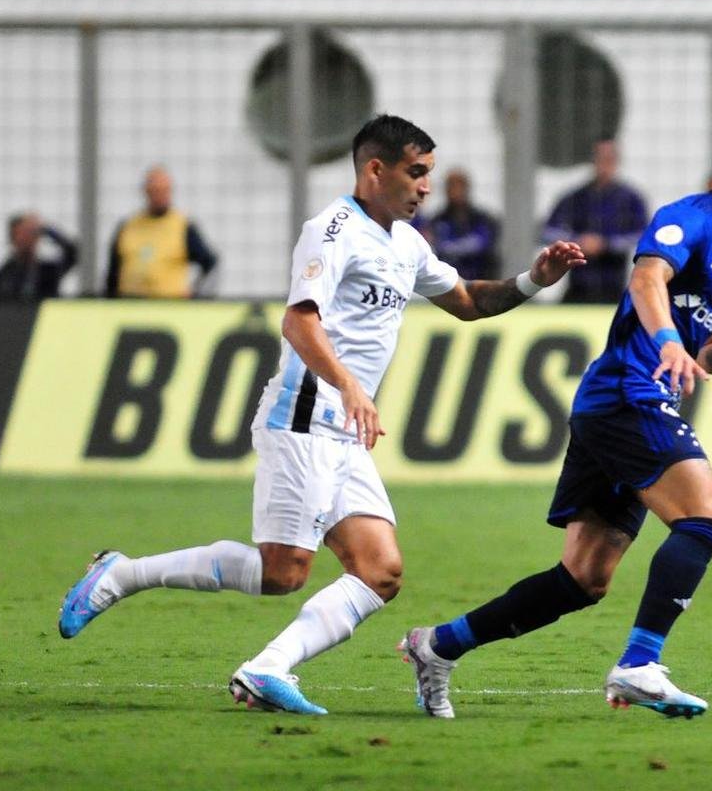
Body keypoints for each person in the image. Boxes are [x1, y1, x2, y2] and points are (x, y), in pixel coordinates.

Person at [58, 114, 585, 715]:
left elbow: (465, 301)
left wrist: (533, 280)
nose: (425, 188)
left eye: (429, 175)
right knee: (283, 571)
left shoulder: (408, 243)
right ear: (375, 170)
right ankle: (122, 575)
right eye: (416, 173)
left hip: (345, 432)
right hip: (305, 413)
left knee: (381, 571)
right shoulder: (331, 231)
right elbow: (298, 320)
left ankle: (266, 668)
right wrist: (350, 387)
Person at [400, 116, 712, 720]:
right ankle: (640, 663)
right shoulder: (689, 216)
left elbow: (702, 357)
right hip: (627, 395)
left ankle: (437, 645)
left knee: (583, 579)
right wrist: (665, 338)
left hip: (627, 402)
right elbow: (646, 277)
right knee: (705, 520)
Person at [543, 138, 648, 303]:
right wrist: (577, 242)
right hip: (578, 287)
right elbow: (549, 231)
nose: (604, 164)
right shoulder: (575, 197)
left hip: (612, 286)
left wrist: (606, 245)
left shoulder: (630, 199)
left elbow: (641, 235)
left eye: (609, 159)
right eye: (600, 158)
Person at [105, 166, 218, 298]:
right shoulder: (128, 226)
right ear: (146, 192)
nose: (159, 196)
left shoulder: (183, 226)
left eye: (163, 191)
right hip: (129, 304)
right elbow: (112, 273)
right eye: (154, 191)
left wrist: (195, 296)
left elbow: (210, 263)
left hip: (169, 307)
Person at [421, 168, 500, 280]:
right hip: (448, 282)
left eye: (459, 186)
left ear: (467, 189)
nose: (455, 191)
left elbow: (483, 246)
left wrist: (452, 247)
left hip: (480, 278)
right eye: (451, 186)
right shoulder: (437, 221)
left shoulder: (483, 220)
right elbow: (435, 248)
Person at [0, 213, 78, 302]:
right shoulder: (4, 274)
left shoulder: (48, 271)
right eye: (22, 234)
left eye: (30, 233)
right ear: (13, 238)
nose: (27, 238)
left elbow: (72, 253)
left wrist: (45, 228)